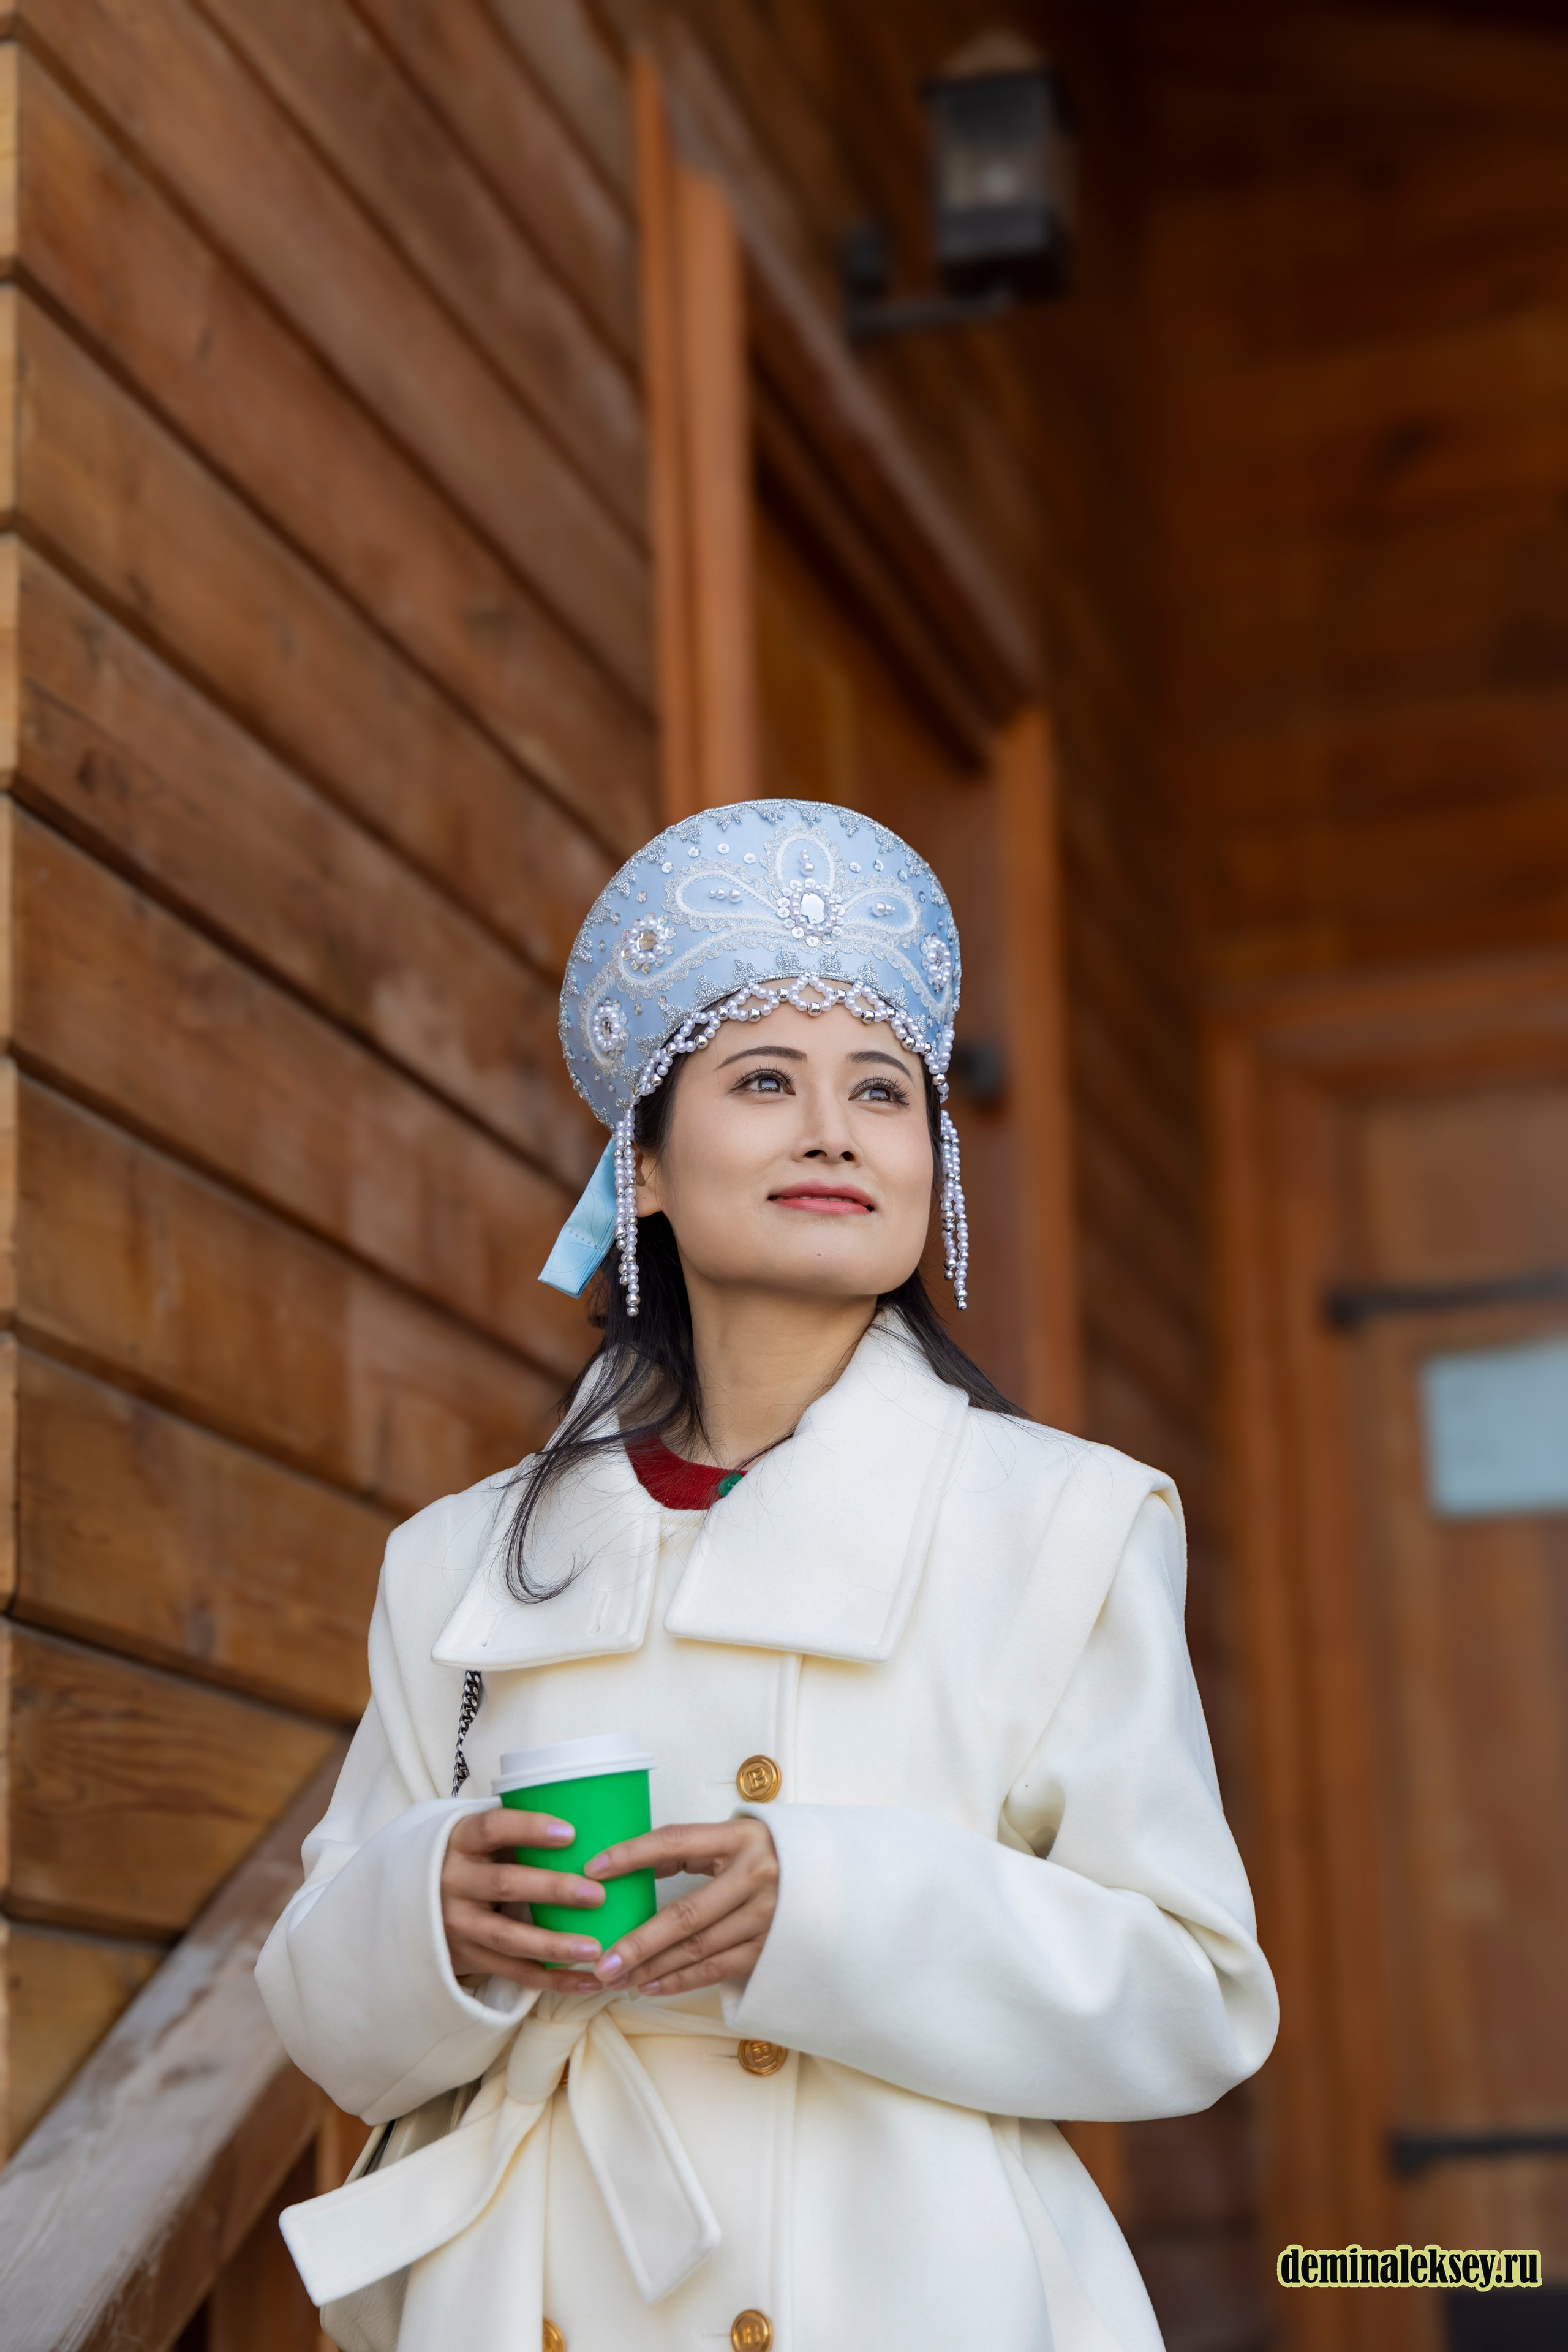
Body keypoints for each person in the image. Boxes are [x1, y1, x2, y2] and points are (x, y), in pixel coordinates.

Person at [257, 799, 1277, 2352]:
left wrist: (824, 1912)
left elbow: (1194, 1994)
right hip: (534, 2287)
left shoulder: (1063, 1520)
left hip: (920, 2293)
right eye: (760, 1080)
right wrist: (433, 1921)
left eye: (880, 1090)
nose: (831, 1129)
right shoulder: (456, 1562)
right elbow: (332, 2019)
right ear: (641, 1173)